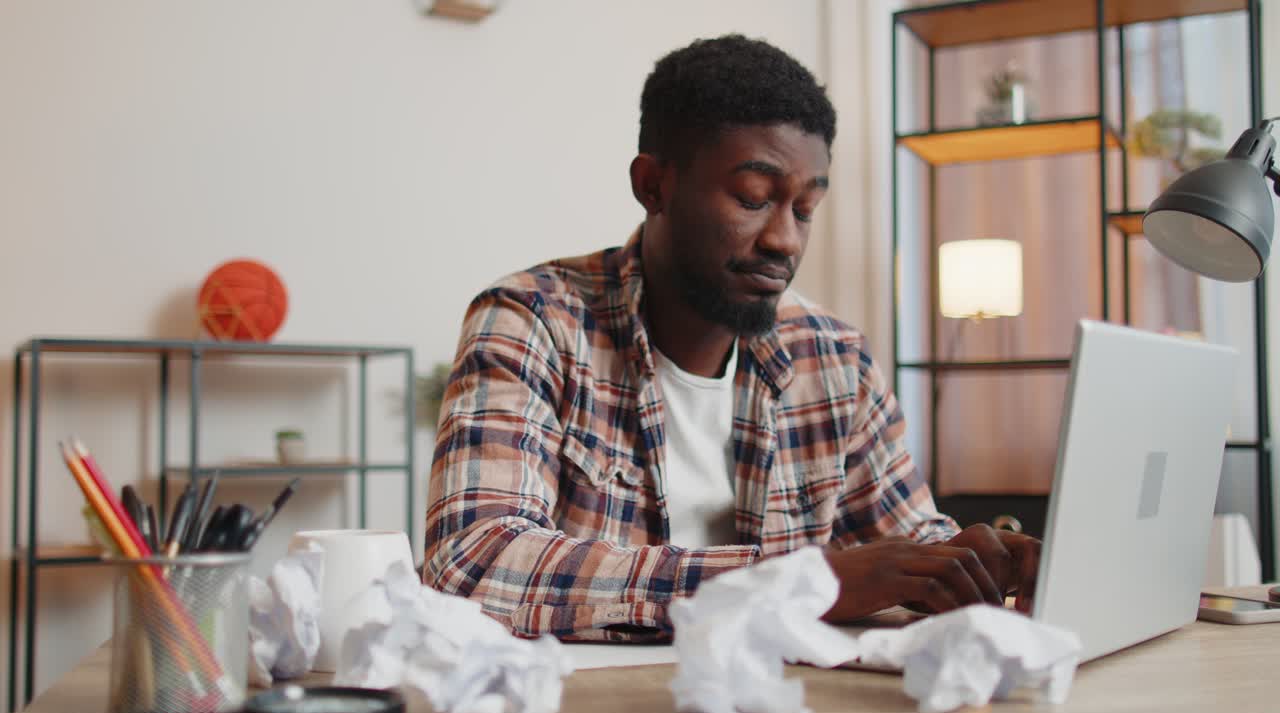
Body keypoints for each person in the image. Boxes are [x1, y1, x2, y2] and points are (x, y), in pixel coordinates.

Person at [423, 34, 1040, 641]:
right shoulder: (533, 320)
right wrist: (795, 582)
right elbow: (474, 563)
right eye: (753, 199)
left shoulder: (834, 357)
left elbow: (903, 538)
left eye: (804, 209)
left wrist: (972, 563)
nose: (786, 240)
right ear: (653, 186)